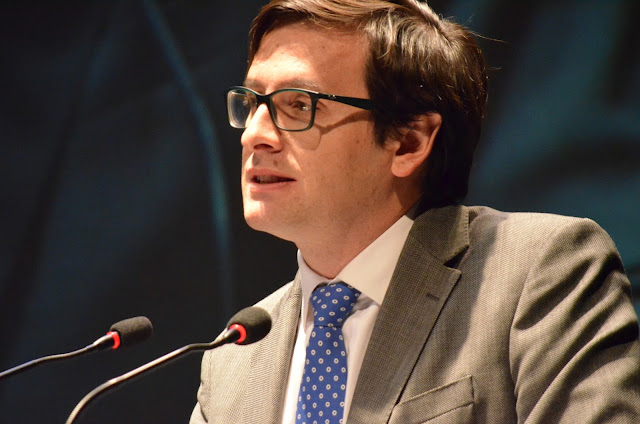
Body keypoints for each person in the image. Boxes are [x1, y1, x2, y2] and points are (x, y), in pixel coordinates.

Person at [190, 0, 640, 422]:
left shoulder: (538, 273)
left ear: (409, 142)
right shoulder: (232, 359)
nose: (254, 135)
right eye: (252, 103)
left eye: (299, 105)